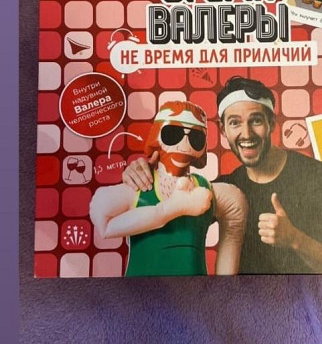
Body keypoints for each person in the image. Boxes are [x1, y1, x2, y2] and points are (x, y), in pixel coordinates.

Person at [123, 78, 322, 275]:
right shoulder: (225, 189)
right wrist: (143, 178)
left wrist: (295, 239)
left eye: (256, 120)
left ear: (272, 123)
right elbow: (163, 222)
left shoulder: (319, 178)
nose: (246, 133)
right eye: (235, 123)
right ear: (223, 130)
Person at [90, 100, 246, 276]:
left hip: (193, 291)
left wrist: (222, 290)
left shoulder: (215, 193)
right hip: (140, 291)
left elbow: (232, 237)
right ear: (157, 136)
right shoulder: (138, 187)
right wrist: (173, 208)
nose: (184, 144)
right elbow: (103, 223)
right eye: (172, 134)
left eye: (195, 138)